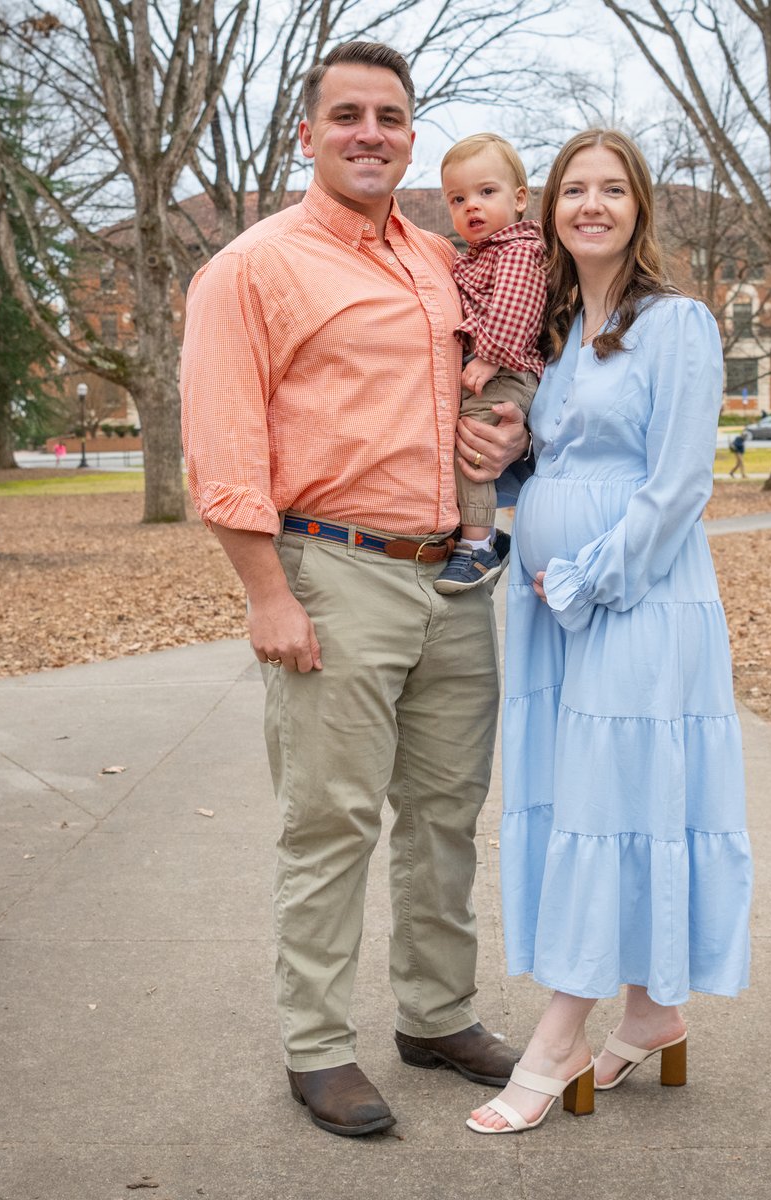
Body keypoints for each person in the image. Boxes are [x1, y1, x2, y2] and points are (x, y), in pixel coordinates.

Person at [179, 42, 529, 1139]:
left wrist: (509, 434)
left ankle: (434, 1014)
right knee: (329, 820)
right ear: (310, 134)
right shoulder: (251, 267)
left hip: (456, 578)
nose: (369, 131)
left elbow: (501, 375)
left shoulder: (439, 258)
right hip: (332, 572)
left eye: (389, 115)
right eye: (347, 115)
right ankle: (317, 1045)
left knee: (444, 818)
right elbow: (223, 444)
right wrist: (266, 595)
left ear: (411, 135)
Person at [466, 129, 753, 1136]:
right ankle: (652, 1013)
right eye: (573, 189)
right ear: (550, 211)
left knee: (607, 800)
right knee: (580, 797)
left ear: (638, 209)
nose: (591, 204)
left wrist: (586, 576)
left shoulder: (678, 326)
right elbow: (548, 465)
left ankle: (557, 1042)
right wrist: (505, 458)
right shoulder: (551, 333)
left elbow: (678, 486)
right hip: (552, 610)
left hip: (634, 598)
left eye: (611, 189)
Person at [434, 133, 545, 594]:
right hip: (492, 363)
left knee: (472, 444)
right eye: (458, 199)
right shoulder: (480, 254)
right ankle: (475, 532)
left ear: (519, 199)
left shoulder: (519, 249)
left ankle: (478, 545)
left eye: (486, 192)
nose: (471, 207)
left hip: (506, 367)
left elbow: (516, 308)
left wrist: (487, 357)